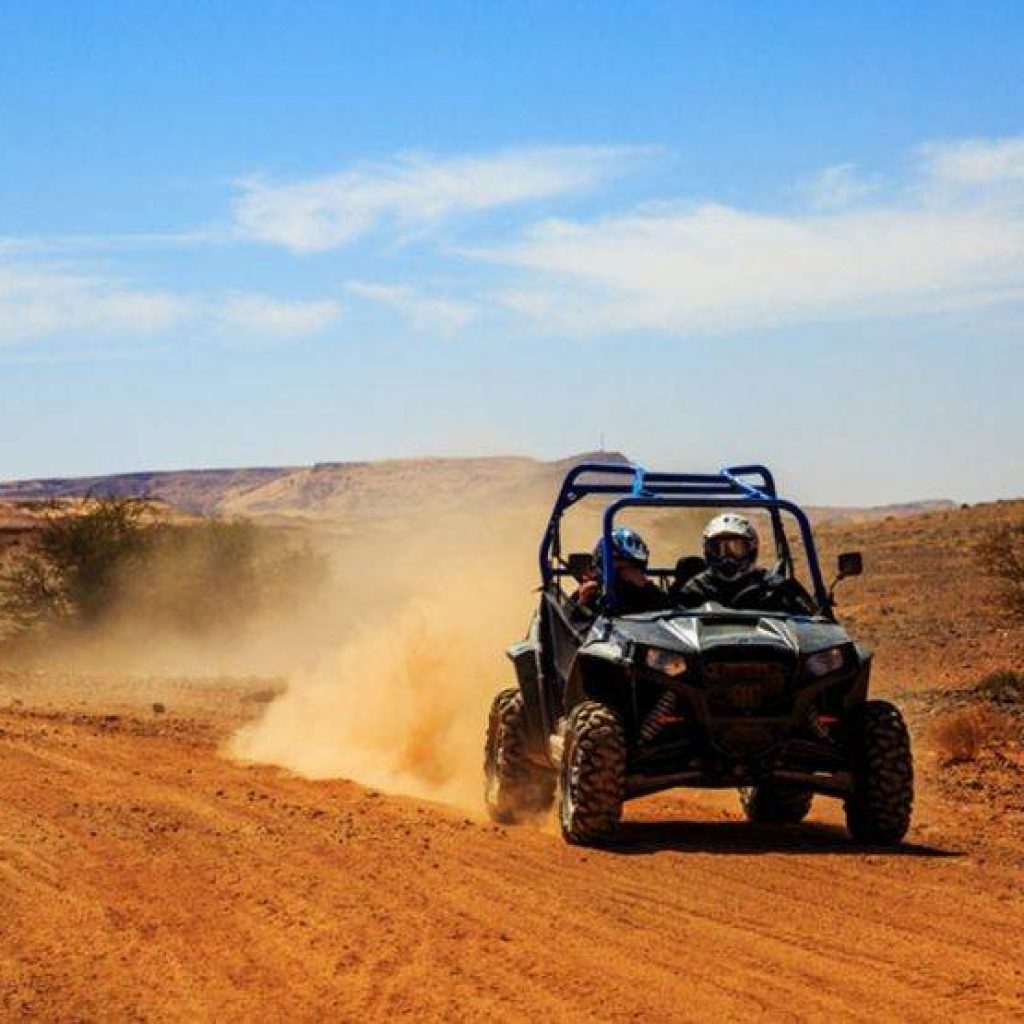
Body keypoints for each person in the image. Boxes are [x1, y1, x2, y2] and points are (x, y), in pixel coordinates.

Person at [676, 513, 817, 615]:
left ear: (752, 550)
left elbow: (812, 623)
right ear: (708, 552)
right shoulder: (695, 590)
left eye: (736, 549)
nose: (727, 558)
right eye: (718, 549)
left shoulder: (775, 587)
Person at [573, 527, 669, 615]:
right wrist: (582, 601)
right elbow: (569, 625)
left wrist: (647, 587)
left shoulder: (645, 591)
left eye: (633, 565)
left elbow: (669, 613)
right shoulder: (592, 589)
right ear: (604, 560)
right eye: (619, 561)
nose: (629, 570)